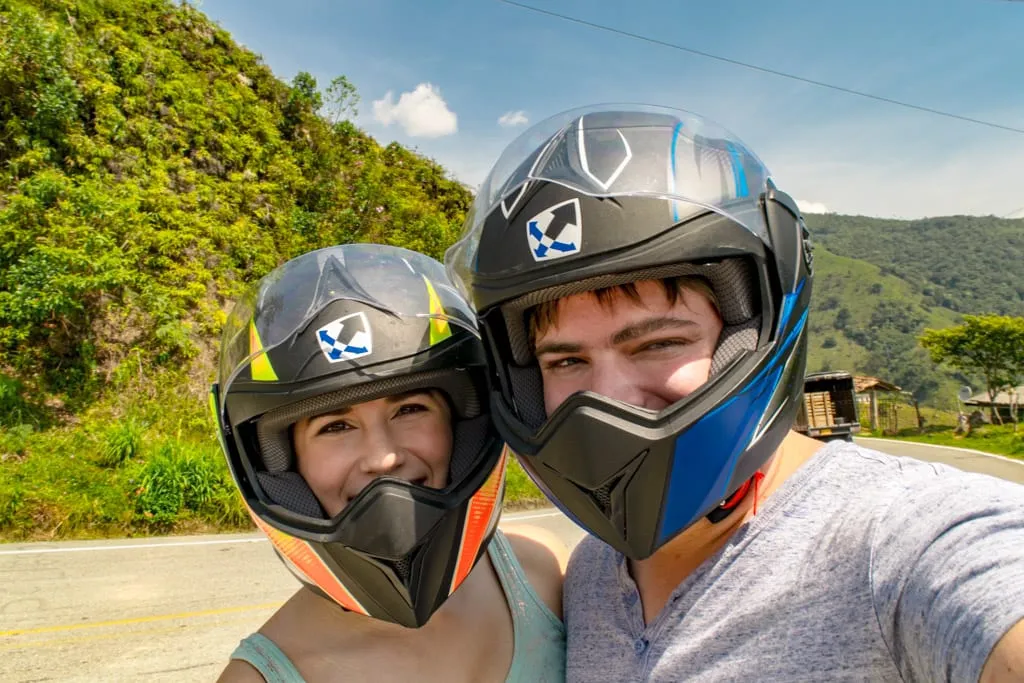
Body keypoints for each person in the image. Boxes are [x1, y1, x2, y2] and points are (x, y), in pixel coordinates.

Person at [446, 105, 1024, 682]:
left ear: (753, 333)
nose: (610, 396)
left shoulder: (899, 541)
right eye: (566, 360)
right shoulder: (594, 572)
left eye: (658, 343)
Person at [211, 244, 566, 682]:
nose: (384, 458)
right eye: (335, 427)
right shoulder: (258, 677)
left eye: (410, 409)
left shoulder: (544, 572)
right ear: (285, 466)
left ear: (463, 426)